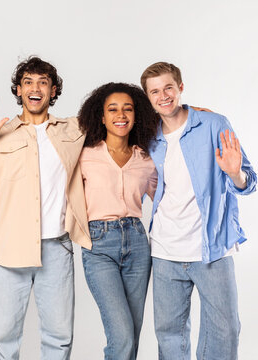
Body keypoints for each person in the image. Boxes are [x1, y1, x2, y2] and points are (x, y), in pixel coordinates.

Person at [0, 56, 90, 359]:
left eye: (43, 82)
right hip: (8, 253)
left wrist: (185, 111)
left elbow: (117, 117)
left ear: (53, 90)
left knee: (59, 338)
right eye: (28, 82)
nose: (35, 88)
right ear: (18, 90)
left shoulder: (74, 129)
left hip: (57, 249)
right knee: (5, 340)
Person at [140, 62, 257, 360]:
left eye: (168, 87)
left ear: (180, 87)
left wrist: (234, 173)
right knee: (169, 335)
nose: (163, 95)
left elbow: (249, 183)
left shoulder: (214, 124)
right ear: (148, 97)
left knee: (225, 331)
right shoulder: (147, 135)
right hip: (165, 251)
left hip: (213, 249)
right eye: (155, 91)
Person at [77, 83, 159, 360]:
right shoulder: (85, 155)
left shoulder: (145, 160)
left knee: (131, 336)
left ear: (136, 115)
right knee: (121, 335)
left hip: (137, 243)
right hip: (99, 246)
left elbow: (166, 200)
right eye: (112, 109)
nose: (120, 114)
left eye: (128, 109)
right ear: (101, 117)